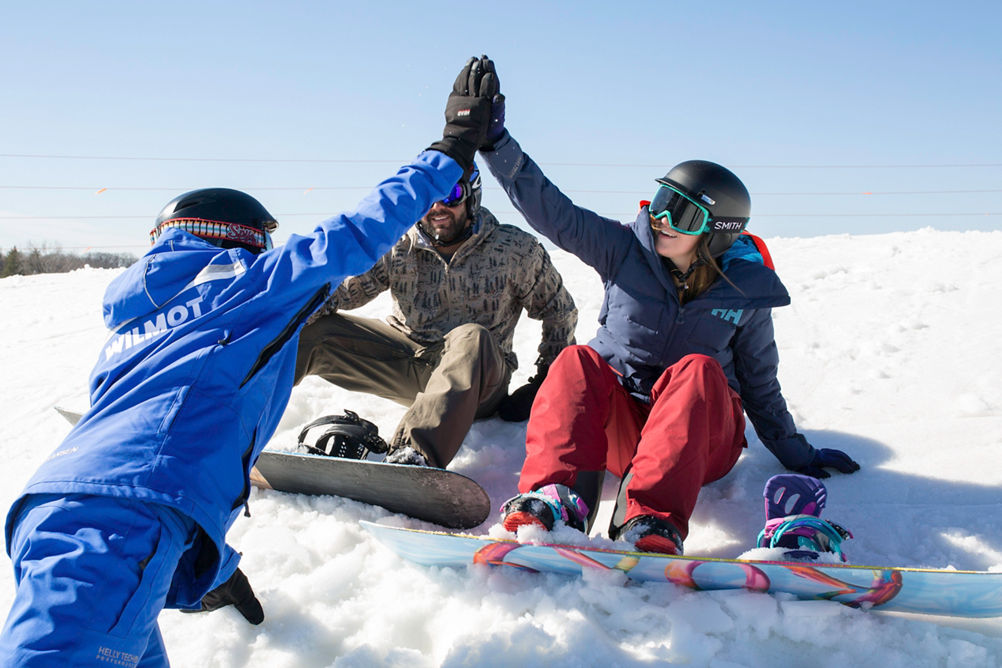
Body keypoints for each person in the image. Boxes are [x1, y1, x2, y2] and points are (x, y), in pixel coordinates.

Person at [0, 56, 499, 667]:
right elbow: (354, 232)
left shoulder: (137, 323)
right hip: (119, 527)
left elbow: (175, 427)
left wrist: (205, 568)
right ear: (237, 237)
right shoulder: (243, 286)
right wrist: (450, 149)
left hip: (61, 511)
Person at [479, 62, 861, 555]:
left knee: (700, 370)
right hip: (623, 431)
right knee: (575, 360)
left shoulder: (746, 291)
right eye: (661, 200)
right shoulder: (625, 251)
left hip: (701, 442)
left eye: (680, 211)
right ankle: (554, 501)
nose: (659, 218)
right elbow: (554, 212)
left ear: (718, 229)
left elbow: (761, 384)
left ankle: (650, 522)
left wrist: (796, 452)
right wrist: (496, 144)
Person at [294, 126, 577, 469]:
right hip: (409, 359)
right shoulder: (400, 245)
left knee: (470, 336)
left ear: (472, 196)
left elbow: (559, 310)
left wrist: (543, 381)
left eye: (451, 194)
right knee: (309, 331)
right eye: (429, 197)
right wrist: (288, 314)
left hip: (478, 380)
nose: (438, 206)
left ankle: (413, 457)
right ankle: (234, 419)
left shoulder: (514, 249)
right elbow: (345, 291)